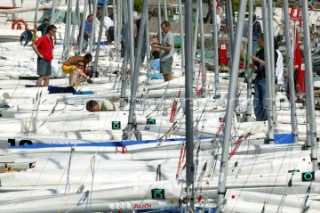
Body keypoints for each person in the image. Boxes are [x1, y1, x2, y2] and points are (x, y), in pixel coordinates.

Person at [249, 33, 278, 121]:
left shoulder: (273, 52)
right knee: (257, 103)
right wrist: (253, 67)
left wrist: (257, 59)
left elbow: (270, 64)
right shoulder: (259, 52)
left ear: (264, 41)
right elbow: (257, 68)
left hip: (267, 80)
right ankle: (259, 120)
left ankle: (266, 121)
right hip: (258, 79)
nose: (258, 43)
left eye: (259, 41)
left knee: (266, 103)